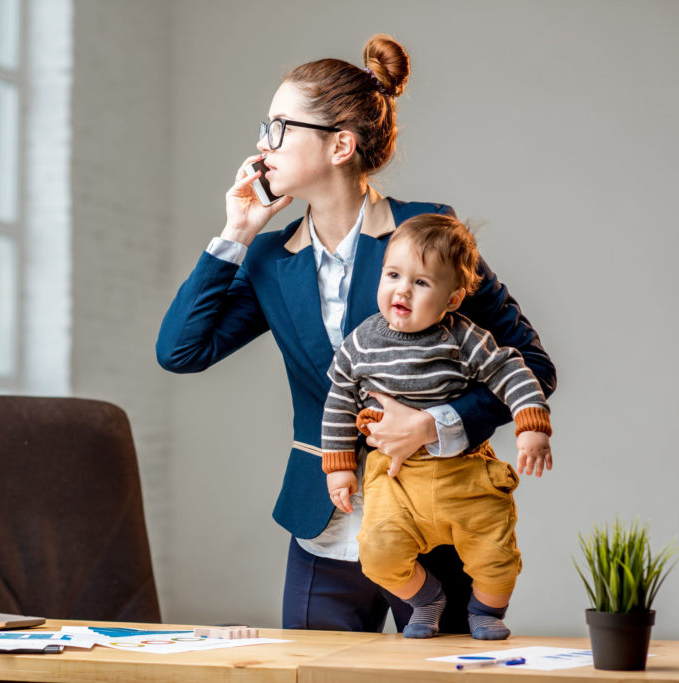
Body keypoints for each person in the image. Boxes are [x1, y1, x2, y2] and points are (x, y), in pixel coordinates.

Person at [156, 34, 556, 634]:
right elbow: (180, 351)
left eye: (279, 128)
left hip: (437, 518)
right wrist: (237, 231)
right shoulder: (270, 259)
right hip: (326, 524)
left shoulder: (427, 233)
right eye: (265, 128)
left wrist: (435, 424)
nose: (263, 145)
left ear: (340, 144)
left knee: (443, 673)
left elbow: (531, 365)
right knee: (315, 674)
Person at [321, 213, 553, 639]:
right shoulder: (361, 342)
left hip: (464, 473)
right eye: (393, 275)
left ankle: (485, 612)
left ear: (452, 299)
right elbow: (339, 399)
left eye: (422, 282)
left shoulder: (464, 338)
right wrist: (337, 466)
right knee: (378, 554)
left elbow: (512, 370)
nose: (402, 290)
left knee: (497, 556)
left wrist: (531, 424)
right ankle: (426, 599)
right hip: (395, 479)